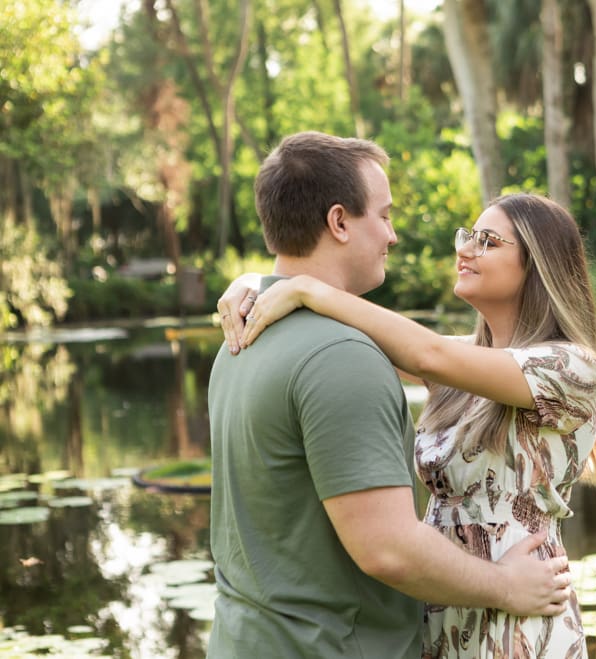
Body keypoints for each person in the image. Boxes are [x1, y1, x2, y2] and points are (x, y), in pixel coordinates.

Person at [207, 131, 572, 659]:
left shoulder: (241, 339)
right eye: (384, 215)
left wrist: (277, 282)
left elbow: (429, 353)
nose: (394, 235)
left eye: (489, 241)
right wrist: (506, 585)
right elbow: (387, 548)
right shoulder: (341, 357)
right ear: (338, 222)